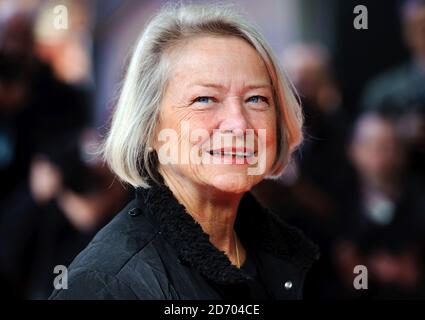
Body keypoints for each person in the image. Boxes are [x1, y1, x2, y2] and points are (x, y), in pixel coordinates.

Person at [50, 3, 319, 300]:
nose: (238, 123)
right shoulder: (107, 284)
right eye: (204, 99)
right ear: (149, 128)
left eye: (256, 99)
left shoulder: (290, 256)